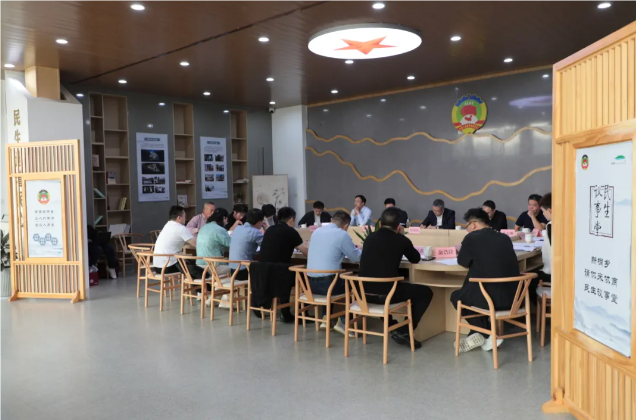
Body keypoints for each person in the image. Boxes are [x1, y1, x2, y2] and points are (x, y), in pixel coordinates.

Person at [358, 207, 434, 348]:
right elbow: (415, 259)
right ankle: (404, 330)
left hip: (363, 294)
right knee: (425, 292)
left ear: (380, 223)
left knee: (382, 284)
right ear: (399, 226)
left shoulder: (369, 238)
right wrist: (402, 236)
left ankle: (392, 325)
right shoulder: (401, 240)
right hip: (386, 296)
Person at [451, 208, 520, 353]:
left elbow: (463, 262)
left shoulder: (472, 238)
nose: (467, 230)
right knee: (474, 291)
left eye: (467, 226)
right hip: (513, 299)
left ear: (473, 224)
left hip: (489, 301)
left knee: (457, 297)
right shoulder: (504, 237)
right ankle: (480, 334)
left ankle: (487, 333)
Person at [307, 210, 362, 335]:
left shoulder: (317, 231)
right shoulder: (342, 234)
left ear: (332, 219)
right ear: (346, 226)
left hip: (310, 285)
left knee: (332, 278)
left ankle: (326, 318)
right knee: (354, 283)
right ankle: (343, 321)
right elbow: (356, 258)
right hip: (328, 285)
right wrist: (361, 249)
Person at [258, 207, 309, 322]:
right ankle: (303, 312)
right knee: (305, 276)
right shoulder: (290, 231)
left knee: (287, 269)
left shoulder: (269, 230)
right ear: (291, 220)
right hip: (281, 273)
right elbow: (306, 253)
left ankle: (285, 310)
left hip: (265, 273)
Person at [153, 206, 197, 274]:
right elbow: (196, 244)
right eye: (184, 216)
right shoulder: (181, 228)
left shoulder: (168, 225)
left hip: (157, 267)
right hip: (169, 266)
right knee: (200, 270)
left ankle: (188, 280)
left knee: (190, 264)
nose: (186, 218)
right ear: (179, 218)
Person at [228, 208, 265, 280]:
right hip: (244, 271)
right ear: (259, 222)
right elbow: (267, 246)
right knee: (266, 268)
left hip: (232, 271)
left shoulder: (237, 228)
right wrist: (266, 229)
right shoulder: (255, 232)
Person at [196, 208, 231, 276]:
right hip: (213, 267)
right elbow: (232, 244)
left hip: (200, 266)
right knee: (238, 266)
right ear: (224, 218)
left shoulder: (203, 227)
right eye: (227, 219)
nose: (227, 222)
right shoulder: (220, 230)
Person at [531, 193, 552, 297]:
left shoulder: (551, 225)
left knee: (528, 281)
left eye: (543, 211)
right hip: (568, 273)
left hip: (553, 274)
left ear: (550, 210)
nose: (543, 214)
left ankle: (537, 306)